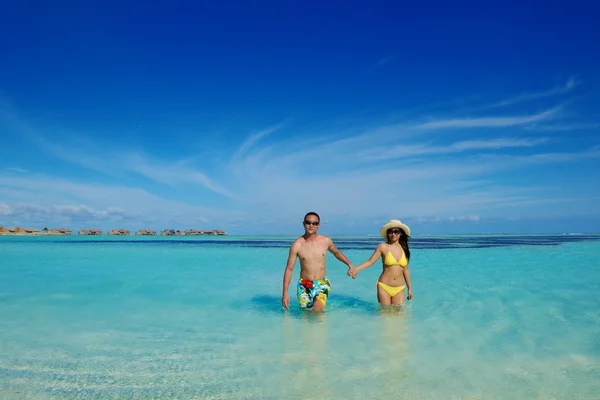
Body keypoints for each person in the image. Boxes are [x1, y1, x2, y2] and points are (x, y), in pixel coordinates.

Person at [281, 212, 355, 311]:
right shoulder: (297, 245)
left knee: (318, 310)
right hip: (304, 285)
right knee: (306, 316)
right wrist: (285, 293)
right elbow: (289, 269)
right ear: (304, 224)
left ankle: (322, 326)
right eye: (308, 222)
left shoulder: (325, 241)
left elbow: (337, 253)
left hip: (322, 284)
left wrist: (349, 265)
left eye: (314, 223)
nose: (311, 225)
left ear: (318, 225)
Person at [352, 219, 413, 305]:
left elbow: (406, 270)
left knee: (399, 316)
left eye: (396, 231)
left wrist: (409, 288)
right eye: (390, 231)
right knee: (385, 315)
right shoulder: (383, 247)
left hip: (399, 288)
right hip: (384, 286)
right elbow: (370, 262)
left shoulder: (404, 248)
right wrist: (356, 269)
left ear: (401, 233)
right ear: (387, 233)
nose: (393, 234)